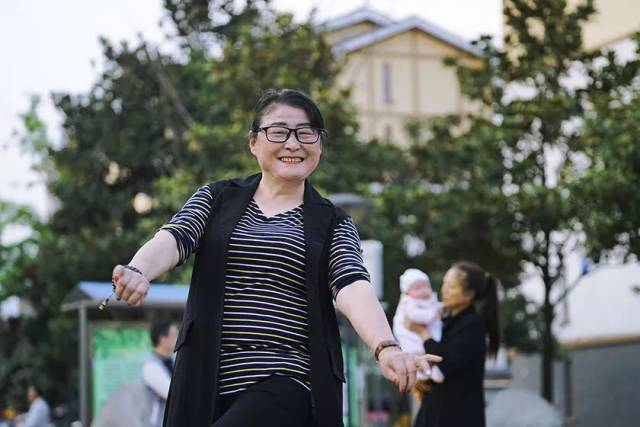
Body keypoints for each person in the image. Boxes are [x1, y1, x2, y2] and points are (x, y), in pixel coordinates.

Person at [111, 88, 441, 427]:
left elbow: (352, 284)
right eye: (279, 131)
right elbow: (174, 237)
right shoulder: (218, 198)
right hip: (205, 380)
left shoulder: (333, 222)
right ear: (254, 142)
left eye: (306, 133)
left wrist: (386, 347)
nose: (293, 143)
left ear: (320, 145)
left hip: (286, 382)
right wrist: (139, 269)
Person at [406, 261, 500, 427]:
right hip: (436, 412)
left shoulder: (473, 325)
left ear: (469, 294)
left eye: (452, 286)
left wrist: (423, 333)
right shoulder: (445, 320)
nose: (445, 290)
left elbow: (444, 361)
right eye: (445, 284)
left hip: (458, 415)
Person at [393, 268, 445, 383]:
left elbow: (437, 306)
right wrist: (433, 314)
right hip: (412, 338)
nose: (423, 291)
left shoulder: (430, 300)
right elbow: (415, 316)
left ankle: (433, 370)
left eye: (426, 286)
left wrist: (442, 309)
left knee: (431, 355)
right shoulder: (409, 302)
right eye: (418, 288)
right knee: (415, 356)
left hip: (426, 338)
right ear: (407, 292)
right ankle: (422, 374)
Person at [142, 321, 178, 427]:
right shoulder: (151, 366)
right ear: (163, 339)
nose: (178, 338)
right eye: (174, 335)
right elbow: (171, 393)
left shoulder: (173, 361)